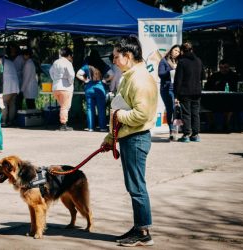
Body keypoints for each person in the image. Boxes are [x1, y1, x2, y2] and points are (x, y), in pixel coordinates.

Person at [101, 36, 157, 247]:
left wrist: (119, 116)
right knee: (134, 185)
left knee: (136, 187)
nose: (114, 61)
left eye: (116, 57)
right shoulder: (131, 76)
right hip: (129, 137)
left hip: (136, 139)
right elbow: (122, 106)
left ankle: (143, 232)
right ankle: (139, 227)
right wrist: (110, 138)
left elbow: (141, 114)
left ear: (128, 56)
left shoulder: (139, 79)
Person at [76, 49, 113, 132]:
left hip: (89, 88)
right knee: (101, 108)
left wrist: (85, 80)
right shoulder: (102, 64)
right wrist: (105, 80)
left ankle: (90, 127)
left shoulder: (87, 65)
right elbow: (112, 74)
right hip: (100, 88)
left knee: (89, 108)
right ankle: (102, 127)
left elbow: (78, 74)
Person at [174, 42, 203, 142]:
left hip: (185, 91)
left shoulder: (182, 62)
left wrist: (176, 94)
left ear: (182, 51)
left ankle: (186, 134)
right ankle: (196, 134)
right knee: (195, 113)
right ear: (192, 49)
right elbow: (202, 76)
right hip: (197, 90)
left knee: (186, 113)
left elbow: (178, 80)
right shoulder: (199, 61)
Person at [204, 59, 239, 131]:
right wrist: (215, 85)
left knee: (230, 106)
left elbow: (235, 89)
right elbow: (207, 87)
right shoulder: (215, 75)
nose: (223, 69)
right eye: (221, 67)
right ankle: (212, 124)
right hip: (216, 99)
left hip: (229, 99)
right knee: (205, 106)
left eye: (225, 67)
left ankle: (226, 124)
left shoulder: (233, 76)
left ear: (229, 67)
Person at [49, 47, 75, 131]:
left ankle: (63, 122)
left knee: (62, 106)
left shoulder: (56, 62)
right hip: (65, 86)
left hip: (56, 87)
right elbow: (71, 75)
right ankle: (63, 124)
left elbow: (50, 71)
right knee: (65, 107)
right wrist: (70, 82)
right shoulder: (68, 63)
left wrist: (55, 80)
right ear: (69, 55)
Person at [158, 44, 181, 140]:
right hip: (166, 88)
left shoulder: (180, 62)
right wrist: (171, 71)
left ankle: (178, 128)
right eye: (175, 50)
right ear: (171, 50)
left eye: (178, 51)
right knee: (170, 108)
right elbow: (160, 74)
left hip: (177, 88)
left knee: (177, 109)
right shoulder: (164, 61)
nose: (176, 52)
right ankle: (171, 130)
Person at [1, 46, 20, 127]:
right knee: (12, 104)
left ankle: (4, 121)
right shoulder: (10, 62)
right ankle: (11, 121)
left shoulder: (0, 62)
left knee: (3, 103)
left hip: (7, 87)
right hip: (15, 87)